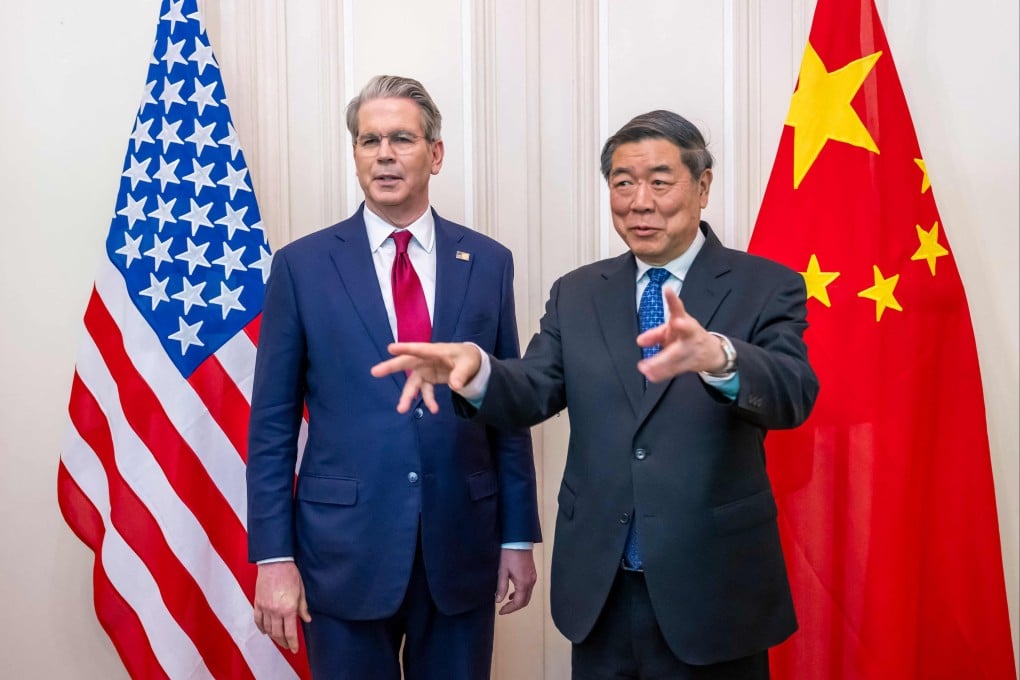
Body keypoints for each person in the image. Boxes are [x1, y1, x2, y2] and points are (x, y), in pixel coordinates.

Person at [373, 110, 819, 679]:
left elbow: (793, 395)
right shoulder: (578, 293)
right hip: (601, 589)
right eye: (623, 182)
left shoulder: (766, 284)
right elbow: (533, 388)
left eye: (660, 181)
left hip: (714, 590)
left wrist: (720, 357)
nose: (639, 201)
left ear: (702, 187)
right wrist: (478, 371)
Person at [246, 74, 542, 680]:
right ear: (355, 153)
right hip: (342, 551)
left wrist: (517, 536)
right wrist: (273, 556)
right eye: (368, 139)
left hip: (461, 545)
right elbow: (272, 425)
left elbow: (505, 409)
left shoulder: (488, 261)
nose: (383, 154)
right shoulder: (302, 267)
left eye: (401, 139)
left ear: (434, 154)